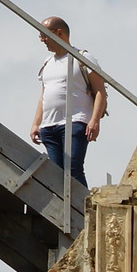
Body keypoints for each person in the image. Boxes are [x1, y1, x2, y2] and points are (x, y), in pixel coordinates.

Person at [28, 16, 106, 187]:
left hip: (75, 121)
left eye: (44, 35)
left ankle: (82, 205)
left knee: (73, 169)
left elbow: (100, 91)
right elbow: (44, 95)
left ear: (58, 33)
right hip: (49, 125)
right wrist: (36, 123)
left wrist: (94, 120)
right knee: (55, 174)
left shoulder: (82, 57)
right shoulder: (47, 63)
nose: (42, 40)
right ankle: (63, 204)